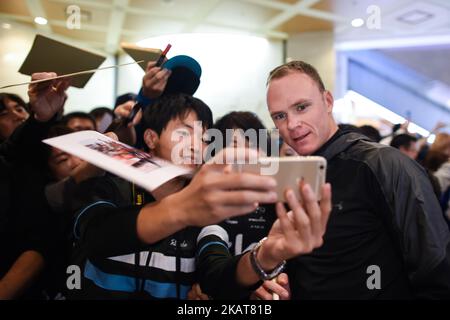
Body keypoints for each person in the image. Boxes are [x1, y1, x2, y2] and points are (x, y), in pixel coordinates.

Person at [196, 60, 450, 299]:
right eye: (280, 116)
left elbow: (436, 268)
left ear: (327, 101)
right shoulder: (287, 176)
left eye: (301, 107)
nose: (293, 124)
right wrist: (267, 279)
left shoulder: (383, 164)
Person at [0, 73, 70, 299]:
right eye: (4, 113)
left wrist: (40, 119)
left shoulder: (25, 167)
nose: (16, 115)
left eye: (20, 108)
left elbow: (39, 242)